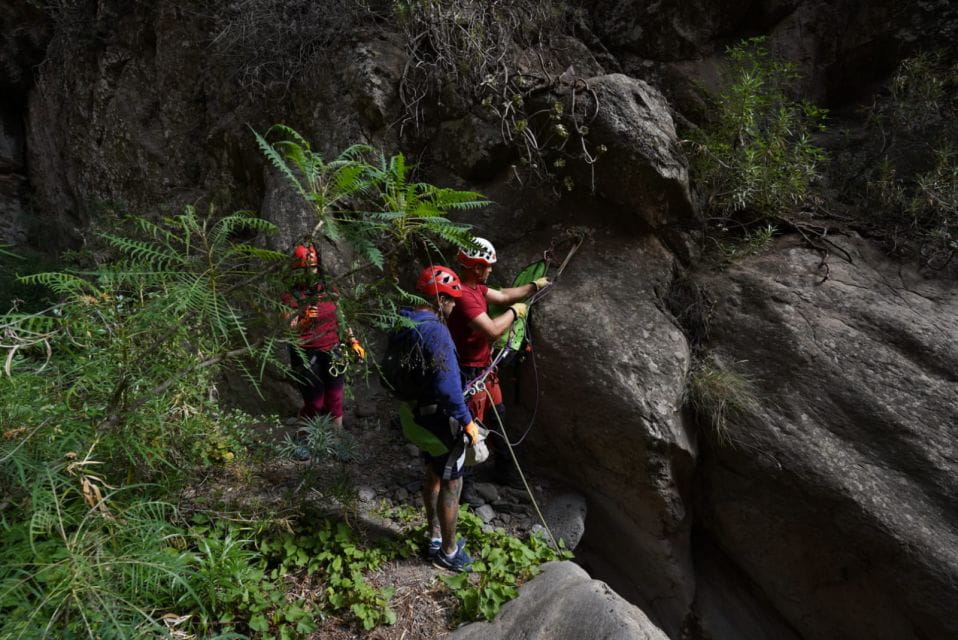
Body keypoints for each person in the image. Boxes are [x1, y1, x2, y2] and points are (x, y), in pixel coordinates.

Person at [396, 265, 479, 572]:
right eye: (452, 300)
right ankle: (448, 551)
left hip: (412, 415)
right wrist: (467, 422)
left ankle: (433, 535)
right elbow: (448, 388)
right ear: (439, 299)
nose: (455, 305)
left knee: (432, 471)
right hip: (437, 420)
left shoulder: (403, 318)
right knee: (452, 482)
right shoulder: (436, 331)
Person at [447, 237, 549, 482]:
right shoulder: (464, 296)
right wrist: (515, 313)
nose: (491, 270)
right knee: (473, 428)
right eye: (488, 266)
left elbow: (503, 296)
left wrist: (534, 286)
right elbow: (492, 330)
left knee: (498, 415)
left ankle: (505, 472)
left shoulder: (477, 289)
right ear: (476, 267)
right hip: (469, 373)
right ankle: (465, 488)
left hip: (484, 369)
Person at [282, 243, 364, 430]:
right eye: (304, 269)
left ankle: (338, 435)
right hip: (306, 352)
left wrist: (353, 341)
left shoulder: (328, 288)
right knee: (315, 402)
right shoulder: (291, 296)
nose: (309, 273)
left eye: (312, 268)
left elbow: (341, 317)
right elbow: (290, 329)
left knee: (335, 397)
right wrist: (304, 320)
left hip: (333, 347)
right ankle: (304, 432)